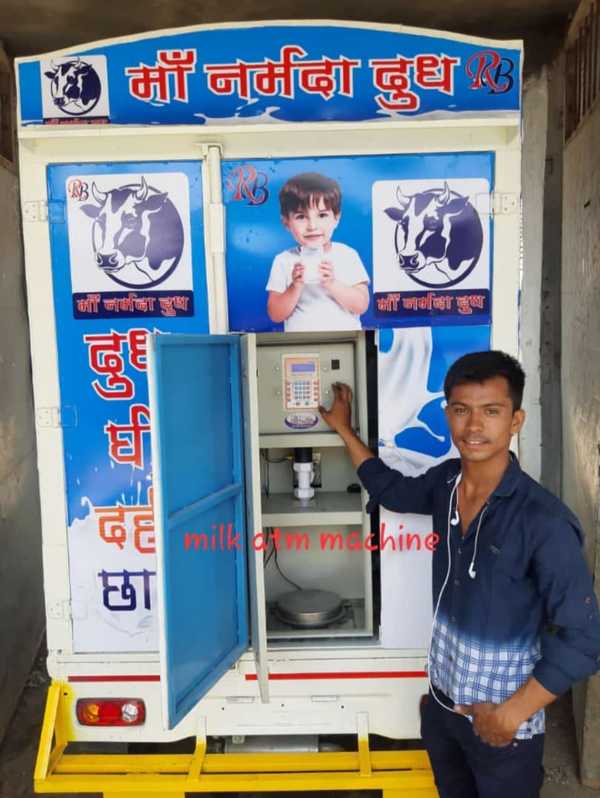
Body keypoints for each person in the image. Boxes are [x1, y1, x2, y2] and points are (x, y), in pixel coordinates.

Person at [319, 350, 600, 798]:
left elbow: (583, 640)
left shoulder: (543, 521)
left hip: (503, 728)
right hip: (443, 710)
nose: (473, 427)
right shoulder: (446, 483)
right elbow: (391, 489)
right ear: (447, 413)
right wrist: (344, 430)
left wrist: (510, 715)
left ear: (516, 420)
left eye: (491, 411)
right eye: (462, 410)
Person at [266, 172, 370, 331]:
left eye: (322, 215)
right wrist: (295, 286)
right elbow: (275, 314)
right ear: (286, 222)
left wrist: (332, 283)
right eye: (301, 217)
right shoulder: (284, 260)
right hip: (301, 345)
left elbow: (361, 305)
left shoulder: (347, 255)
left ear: (336, 218)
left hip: (345, 343)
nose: (312, 226)